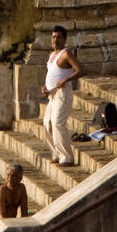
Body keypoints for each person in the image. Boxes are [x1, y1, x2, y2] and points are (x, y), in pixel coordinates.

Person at [42, 24, 81, 167]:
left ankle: (67, 157)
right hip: (51, 95)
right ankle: (56, 154)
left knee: (58, 123)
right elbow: (51, 73)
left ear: (64, 39)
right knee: (47, 123)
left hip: (63, 93)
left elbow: (80, 70)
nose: (55, 40)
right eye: (53, 37)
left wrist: (66, 79)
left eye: (59, 37)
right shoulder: (51, 55)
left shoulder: (66, 53)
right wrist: (45, 86)